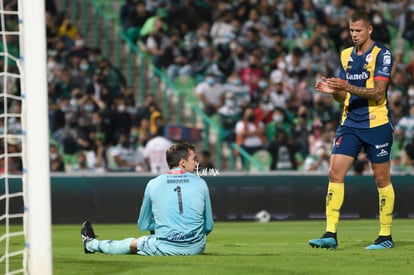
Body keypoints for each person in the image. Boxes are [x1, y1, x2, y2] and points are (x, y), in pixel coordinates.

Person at [309, 11, 395, 250]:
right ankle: (330, 233)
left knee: (381, 178)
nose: (354, 35)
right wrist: (333, 90)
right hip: (350, 124)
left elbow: (378, 92)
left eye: (358, 30)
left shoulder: (382, 54)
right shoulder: (345, 54)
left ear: (369, 30)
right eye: (351, 30)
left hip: (376, 124)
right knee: (334, 172)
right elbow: (342, 96)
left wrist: (346, 85)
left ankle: (385, 235)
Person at [81, 143, 214, 256]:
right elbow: (208, 226)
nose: (197, 163)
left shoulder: (153, 183)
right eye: (194, 159)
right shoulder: (200, 182)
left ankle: (90, 244)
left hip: (164, 247)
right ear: (182, 162)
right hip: (197, 248)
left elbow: (143, 224)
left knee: (131, 244)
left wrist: (161, 226)